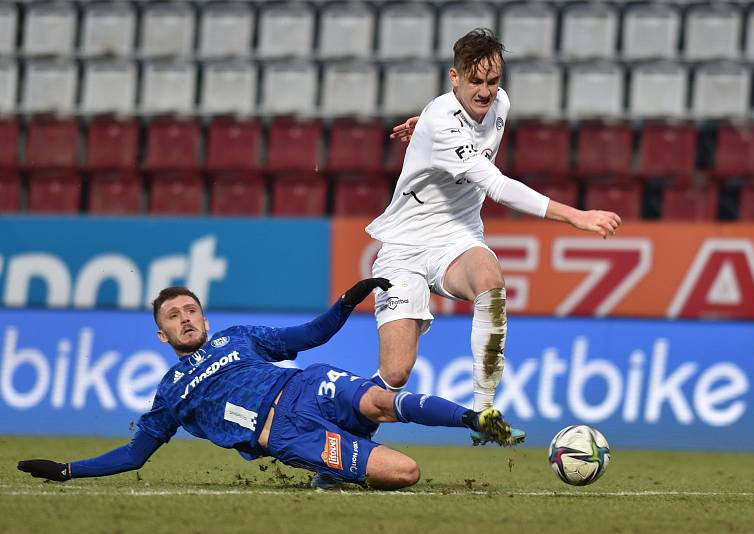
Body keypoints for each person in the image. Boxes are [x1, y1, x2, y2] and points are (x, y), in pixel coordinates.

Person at [367, 29, 622, 445]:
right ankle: (342, 436)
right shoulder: (441, 121)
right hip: (404, 247)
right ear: (455, 77)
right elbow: (497, 186)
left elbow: (464, 132)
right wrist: (577, 216)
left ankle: (484, 410)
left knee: (491, 280)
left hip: (457, 237)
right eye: (475, 82)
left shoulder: (498, 105)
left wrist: (427, 128)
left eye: (493, 81)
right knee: (395, 374)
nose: (486, 92)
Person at [17, 279, 516, 491]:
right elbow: (133, 455)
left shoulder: (240, 338)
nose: (185, 319)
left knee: (378, 398)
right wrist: (66, 470)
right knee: (405, 472)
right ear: (162, 334)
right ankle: (335, 468)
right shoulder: (171, 393)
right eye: (174, 316)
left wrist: (346, 301)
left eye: (191, 310)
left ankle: (474, 417)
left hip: (307, 386)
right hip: (289, 434)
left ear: (205, 319)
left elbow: (310, 335)